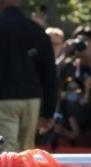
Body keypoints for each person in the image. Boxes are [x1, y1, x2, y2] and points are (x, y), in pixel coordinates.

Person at [0, 0, 58, 152]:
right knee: (26, 153)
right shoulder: (37, 31)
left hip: (3, 99)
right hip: (31, 100)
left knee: (5, 152)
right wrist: (48, 112)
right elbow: (49, 73)